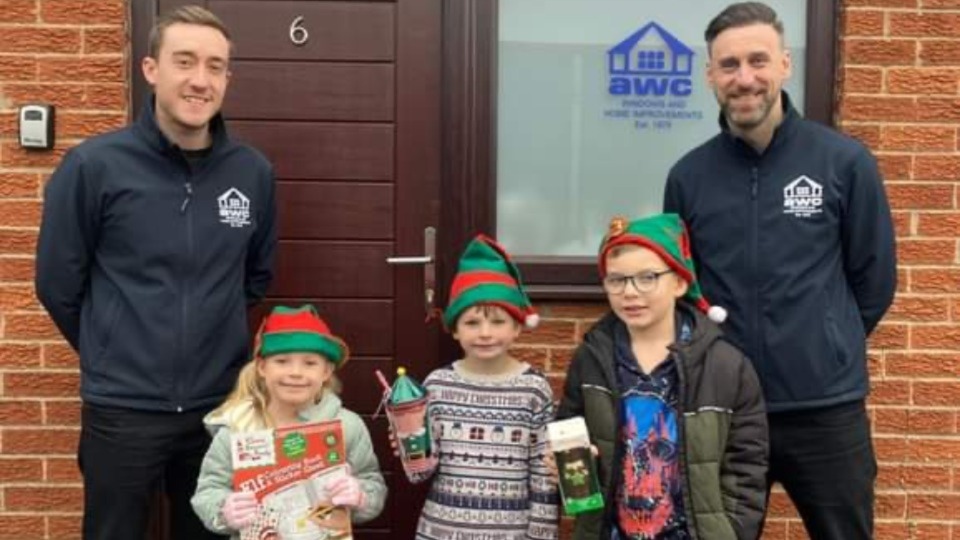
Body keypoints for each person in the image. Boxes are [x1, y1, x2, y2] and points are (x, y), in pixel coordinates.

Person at [34, 5, 277, 539]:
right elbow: (57, 284)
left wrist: (212, 341)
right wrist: (113, 348)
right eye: (184, 62)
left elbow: (255, 278)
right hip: (122, 408)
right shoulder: (94, 166)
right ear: (151, 70)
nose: (200, 80)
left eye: (215, 67)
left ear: (227, 78)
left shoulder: (252, 172)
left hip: (220, 407)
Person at [663, 3, 897, 539]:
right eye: (728, 65)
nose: (744, 78)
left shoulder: (843, 163)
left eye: (757, 60)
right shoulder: (688, 177)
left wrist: (826, 341)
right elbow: (686, 288)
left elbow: (874, 278)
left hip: (826, 410)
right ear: (710, 76)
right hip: (726, 409)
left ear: (785, 65)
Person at [555, 214, 768, 540]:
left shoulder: (726, 366)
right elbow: (572, 444)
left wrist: (733, 532)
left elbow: (746, 467)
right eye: (616, 280)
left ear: (680, 282)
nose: (630, 292)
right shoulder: (592, 359)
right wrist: (569, 472)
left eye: (647, 277)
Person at [408, 234, 559, 540]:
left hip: (511, 532)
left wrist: (541, 535)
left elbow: (544, 473)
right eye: (472, 323)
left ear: (517, 327)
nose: (485, 333)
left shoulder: (533, 389)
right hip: (442, 529)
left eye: (498, 322)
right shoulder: (436, 385)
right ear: (454, 330)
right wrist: (410, 444)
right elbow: (420, 473)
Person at [191, 305, 387, 537]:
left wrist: (361, 496)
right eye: (282, 361)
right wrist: (224, 510)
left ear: (326, 371)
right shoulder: (238, 428)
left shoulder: (347, 426)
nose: (295, 372)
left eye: (310, 363)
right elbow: (208, 491)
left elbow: (372, 483)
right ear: (262, 367)